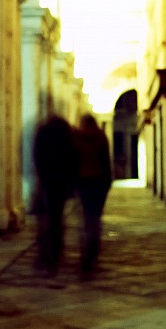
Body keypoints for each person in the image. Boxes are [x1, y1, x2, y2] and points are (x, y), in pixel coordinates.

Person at [31, 104, 76, 270]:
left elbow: (37, 154)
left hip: (47, 180)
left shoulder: (43, 132)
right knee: (56, 216)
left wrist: (41, 174)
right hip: (61, 181)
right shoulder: (66, 133)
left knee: (44, 217)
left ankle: (44, 253)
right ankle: (56, 250)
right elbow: (72, 156)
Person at [71, 111, 113, 277]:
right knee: (95, 218)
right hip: (98, 182)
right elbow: (105, 162)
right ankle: (93, 251)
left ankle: (86, 255)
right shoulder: (100, 137)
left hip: (83, 183)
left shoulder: (77, 138)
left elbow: (72, 161)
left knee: (87, 219)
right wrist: (108, 183)